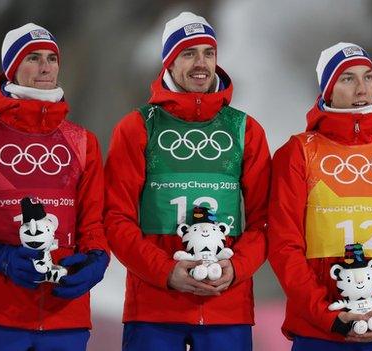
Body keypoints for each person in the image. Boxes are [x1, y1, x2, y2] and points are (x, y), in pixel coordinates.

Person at [104, 12, 271, 351]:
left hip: (227, 308)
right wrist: (164, 271)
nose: (201, 63)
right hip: (154, 307)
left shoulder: (245, 130)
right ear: (168, 61)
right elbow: (115, 219)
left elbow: (266, 220)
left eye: (208, 53)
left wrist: (235, 267)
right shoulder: (136, 127)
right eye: (188, 53)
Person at [267, 42, 372, 351]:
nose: (361, 88)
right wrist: (326, 315)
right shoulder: (297, 152)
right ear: (328, 90)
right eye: (348, 79)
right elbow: (283, 245)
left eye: (368, 77)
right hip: (319, 331)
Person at [0, 23, 109, 350]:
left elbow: (94, 224)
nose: (45, 67)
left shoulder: (84, 142)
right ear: (12, 69)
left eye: (51, 59)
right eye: (32, 58)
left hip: (65, 315)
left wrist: (98, 259)